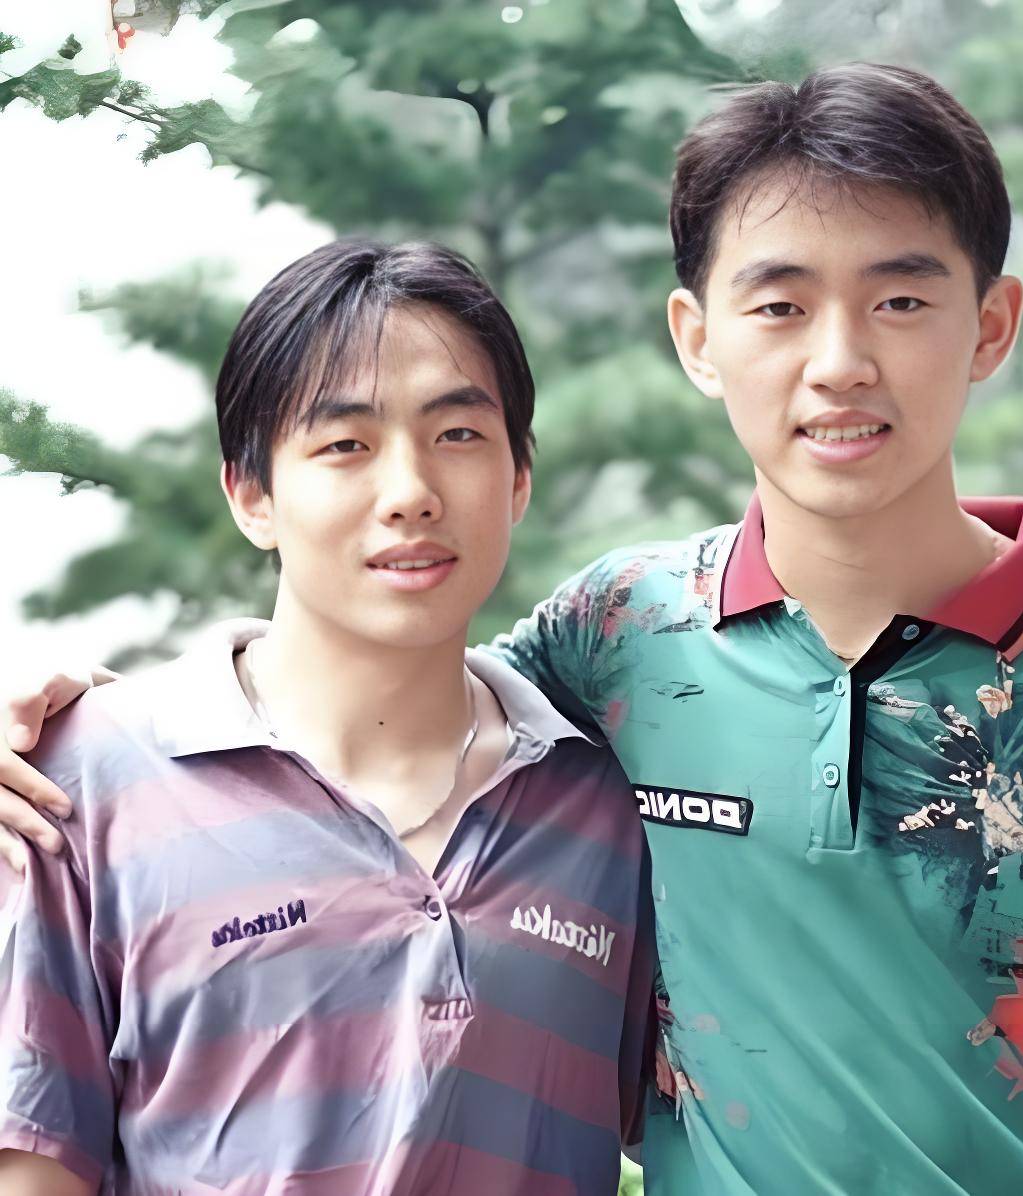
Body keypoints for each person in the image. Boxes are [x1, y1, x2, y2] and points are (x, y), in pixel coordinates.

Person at [4, 63, 1023, 1195]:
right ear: (696, 338)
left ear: (989, 324)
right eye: (778, 306)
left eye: (899, 300)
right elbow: (378, 687)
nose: (838, 361)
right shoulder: (618, 639)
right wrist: (68, 715)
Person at [0, 239, 653, 1195]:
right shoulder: (77, 786)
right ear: (251, 494)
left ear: (519, 477)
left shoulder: (604, 801)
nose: (411, 494)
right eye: (346, 444)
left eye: (458, 434)